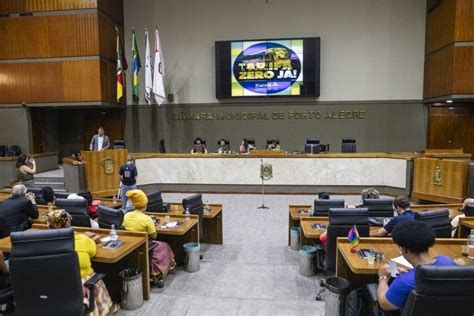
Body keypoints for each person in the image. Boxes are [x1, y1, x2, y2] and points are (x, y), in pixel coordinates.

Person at [47, 209, 119, 315]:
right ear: (69, 223)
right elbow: (93, 252)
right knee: (93, 279)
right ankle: (105, 308)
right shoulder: (82, 239)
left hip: (54, 285)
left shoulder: (43, 241)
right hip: (81, 284)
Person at [376, 221, 456, 312]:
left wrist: (382, 278)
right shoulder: (448, 261)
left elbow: (384, 304)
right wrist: (410, 272)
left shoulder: (404, 281)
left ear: (404, 249)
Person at [123, 190, 176, 285]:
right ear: (144, 205)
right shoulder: (146, 219)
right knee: (165, 245)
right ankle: (156, 273)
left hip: (130, 246)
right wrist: (152, 227)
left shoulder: (126, 215)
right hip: (145, 246)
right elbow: (154, 236)